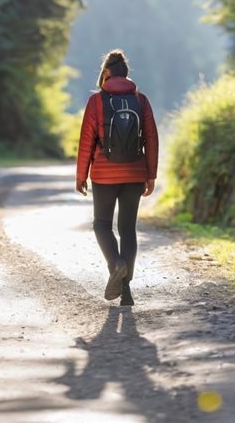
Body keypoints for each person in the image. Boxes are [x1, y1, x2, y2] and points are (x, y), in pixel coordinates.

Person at [75, 49, 159, 307]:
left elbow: (86, 141)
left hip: (103, 173)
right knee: (127, 230)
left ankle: (116, 266)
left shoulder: (96, 102)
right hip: (135, 173)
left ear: (107, 73)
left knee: (101, 224)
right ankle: (126, 291)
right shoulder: (140, 100)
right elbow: (152, 138)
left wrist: (81, 176)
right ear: (127, 74)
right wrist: (151, 175)